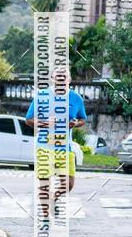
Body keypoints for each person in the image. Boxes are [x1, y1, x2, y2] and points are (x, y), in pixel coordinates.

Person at [25, 68, 87, 218]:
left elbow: (82, 119)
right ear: (52, 79)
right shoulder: (42, 95)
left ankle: (54, 198)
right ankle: (46, 217)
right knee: (44, 185)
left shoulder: (76, 98)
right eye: (58, 76)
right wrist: (46, 123)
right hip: (44, 147)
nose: (61, 79)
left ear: (69, 79)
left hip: (65, 147)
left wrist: (75, 123)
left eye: (64, 76)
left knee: (69, 184)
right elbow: (28, 120)